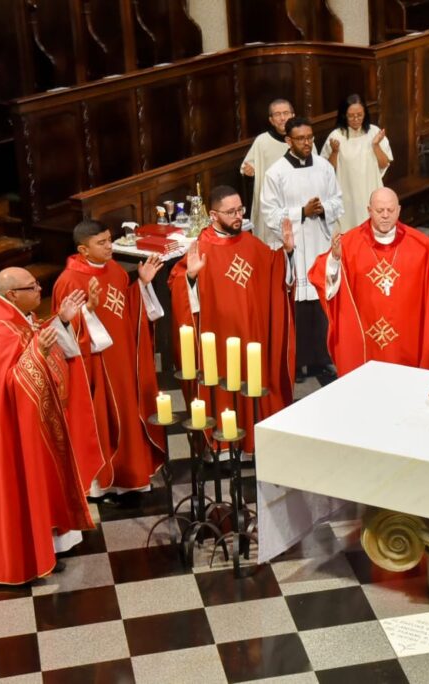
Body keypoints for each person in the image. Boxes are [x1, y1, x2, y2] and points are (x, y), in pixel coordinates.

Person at [0, 268, 104, 584]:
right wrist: (39, 352)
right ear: (11, 295)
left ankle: (52, 543)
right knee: (28, 483)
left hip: (38, 421)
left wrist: (61, 320)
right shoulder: (0, 332)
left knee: (47, 479)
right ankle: (30, 555)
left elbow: (35, 341)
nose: (39, 290)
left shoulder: (19, 317)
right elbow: (9, 383)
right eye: (32, 287)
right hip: (18, 431)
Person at [169, 185, 296, 452]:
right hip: (219, 339)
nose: (238, 216)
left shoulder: (250, 242)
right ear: (213, 215)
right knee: (224, 386)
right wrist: (190, 278)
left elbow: (275, 272)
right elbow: (178, 287)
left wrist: (287, 254)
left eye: (240, 209)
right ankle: (223, 446)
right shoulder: (200, 248)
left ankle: (253, 440)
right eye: (231, 212)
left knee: (253, 383)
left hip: (253, 335)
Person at [52, 220, 166, 497]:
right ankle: (101, 483)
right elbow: (62, 331)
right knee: (103, 418)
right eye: (101, 243)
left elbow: (126, 309)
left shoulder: (115, 270)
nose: (109, 246)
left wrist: (142, 284)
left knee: (129, 412)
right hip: (97, 365)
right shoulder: (69, 280)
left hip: (124, 358)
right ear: (83, 249)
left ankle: (132, 471)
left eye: (109, 239)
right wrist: (87, 311)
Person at [309, 187, 429, 376]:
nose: (385, 215)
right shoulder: (350, 243)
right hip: (366, 340)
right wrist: (335, 260)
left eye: (390, 210)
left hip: (407, 339)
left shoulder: (420, 244)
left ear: (399, 210)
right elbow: (320, 274)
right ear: (369, 210)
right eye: (379, 211)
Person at [262, 117, 344, 381]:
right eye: (301, 138)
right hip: (293, 246)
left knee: (320, 303)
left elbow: (337, 201)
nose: (307, 142)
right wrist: (301, 212)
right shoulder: (275, 173)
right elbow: (269, 213)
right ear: (288, 141)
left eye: (310, 137)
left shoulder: (323, 167)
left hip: (319, 242)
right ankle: (296, 363)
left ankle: (321, 359)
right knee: (297, 306)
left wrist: (323, 210)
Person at [320, 93, 392, 233]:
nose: (356, 119)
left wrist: (376, 145)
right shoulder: (336, 136)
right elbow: (326, 171)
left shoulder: (374, 132)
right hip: (347, 194)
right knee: (351, 232)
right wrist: (334, 152)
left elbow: (384, 164)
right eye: (351, 116)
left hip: (370, 189)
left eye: (359, 115)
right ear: (344, 115)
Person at [241, 98, 293, 242]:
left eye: (286, 113)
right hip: (271, 203)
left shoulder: (302, 138)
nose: (282, 118)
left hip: (296, 202)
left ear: (293, 115)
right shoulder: (262, 141)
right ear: (271, 120)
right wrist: (249, 171)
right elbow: (246, 167)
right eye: (277, 114)